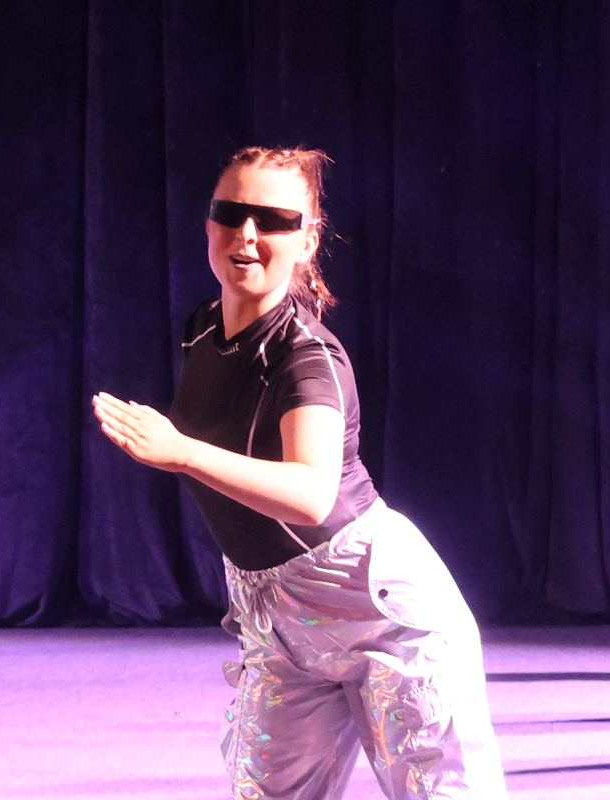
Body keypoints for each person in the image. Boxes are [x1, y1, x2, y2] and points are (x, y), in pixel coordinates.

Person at [94, 147, 505, 799]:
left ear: (307, 239)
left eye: (273, 220)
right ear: (208, 224)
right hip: (279, 619)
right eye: (231, 213)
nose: (247, 235)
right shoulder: (201, 328)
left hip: (379, 607)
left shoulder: (307, 358)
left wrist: (182, 451)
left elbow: (312, 494)